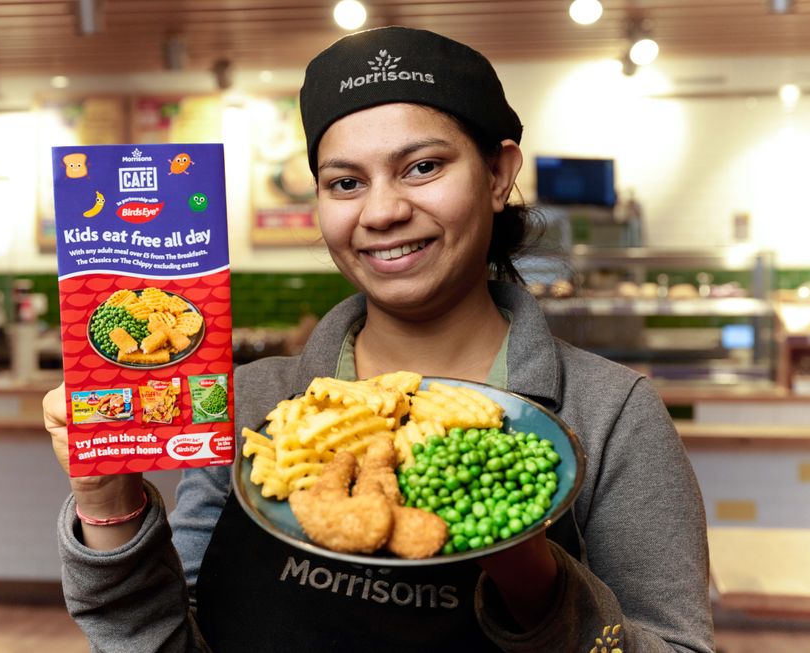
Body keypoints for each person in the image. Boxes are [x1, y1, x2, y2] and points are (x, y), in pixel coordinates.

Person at [44, 25, 715, 653]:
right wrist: (108, 500)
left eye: (422, 167)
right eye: (346, 182)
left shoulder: (611, 413)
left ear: (497, 174)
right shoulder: (253, 402)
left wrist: (534, 579)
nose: (384, 211)